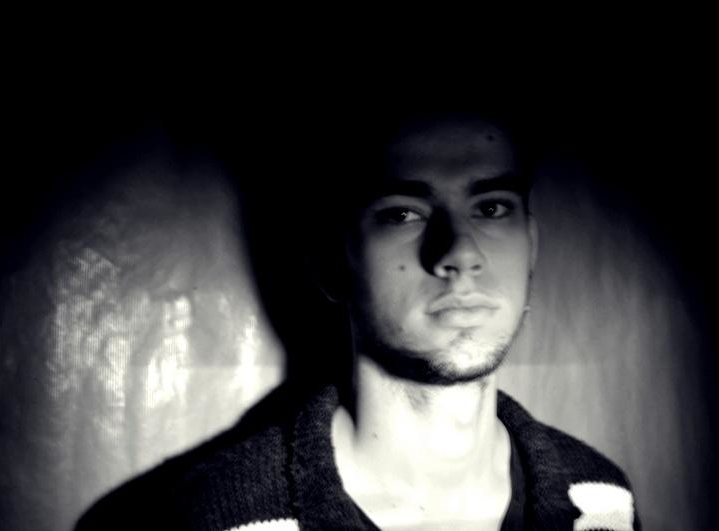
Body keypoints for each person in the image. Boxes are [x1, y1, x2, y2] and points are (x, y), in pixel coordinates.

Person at [75, 112, 640, 530]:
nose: (460, 253)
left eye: (491, 207)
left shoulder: (601, 500)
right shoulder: (211, 518)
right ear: (332, 262)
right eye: (402, 213)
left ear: (532, 244)